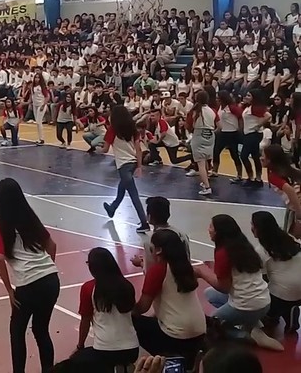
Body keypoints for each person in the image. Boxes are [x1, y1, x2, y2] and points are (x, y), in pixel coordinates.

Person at [0, 178, 59, 373]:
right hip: (51, 280)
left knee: (17, 332)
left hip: (28, 284)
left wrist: (9, 291)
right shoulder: (29, 217)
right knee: (41, 330)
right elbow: (52, 245)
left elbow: (0, 259)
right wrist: (47, 268)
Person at [131, 230, 206, 368]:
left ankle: (170, 359)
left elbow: (142, 307)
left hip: (176, 336)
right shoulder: (186, 267)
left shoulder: (158, 270)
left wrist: (126, 311)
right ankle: (189, 358)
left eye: (151, 248)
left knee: (132, 322)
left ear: (158, 251)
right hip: (200, 332)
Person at [196, 214, 271, 341]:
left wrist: (202, 273)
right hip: (264, 302)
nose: (208, 230)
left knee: (210, 326)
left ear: (219, 232)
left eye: (211, 227)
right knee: (210, 294)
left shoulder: (223, 253)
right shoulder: (244, 246)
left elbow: (223, 287)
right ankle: (253, 323)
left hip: (247, 306)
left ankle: (248, 336)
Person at [70, 248, 139, 371]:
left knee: (78, 360)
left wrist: (80, 346)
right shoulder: (127, 285)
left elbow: (85, 321)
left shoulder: (89, 288)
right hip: (132, 349)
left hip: (104, 350)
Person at [251, 211, 301, 333]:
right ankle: (288, 310)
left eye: (253, 225)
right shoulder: (289, 238)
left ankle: (277, 312)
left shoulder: (261, 250)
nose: (251, 228)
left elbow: (261, 280)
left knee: (261, 302)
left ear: (259, 228)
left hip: (283, 295)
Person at [102, 105, 150, 233]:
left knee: (134, 195)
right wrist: (139, 166)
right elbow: (138, 149)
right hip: (133, 162)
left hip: (123, 165)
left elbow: (105, 149)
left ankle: (144, 222)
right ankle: (112, 208)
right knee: (122, 188)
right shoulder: (133, 129)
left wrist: (96, 149)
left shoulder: (112, 130)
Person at [263, 144, 301, 237]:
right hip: (297, 204)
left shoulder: (274, 176)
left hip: (297, 208)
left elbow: (290, 190)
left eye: (263, 156)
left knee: (293, 236)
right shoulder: (291, 170)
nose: (261, 158)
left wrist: (299, 213)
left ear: (270, 160)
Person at [186, 91, 217, 196]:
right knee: (207, 160)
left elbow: (188, 126)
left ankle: (207, 187)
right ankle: (205, 182)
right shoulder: (212, 111)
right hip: (210, 135)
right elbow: (220, 126)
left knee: (201, 163)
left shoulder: (193, 111)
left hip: (199, 135)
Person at [213, 91, 244, 182]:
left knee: (234, 154)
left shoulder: (232, 107)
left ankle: (239, 175)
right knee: (216, 151)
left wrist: (240, 128)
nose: (217, 100)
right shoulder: (221, 108)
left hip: (232, 133)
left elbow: (241, 116)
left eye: (218, 98)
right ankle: (215, 171)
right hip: (222, 132)